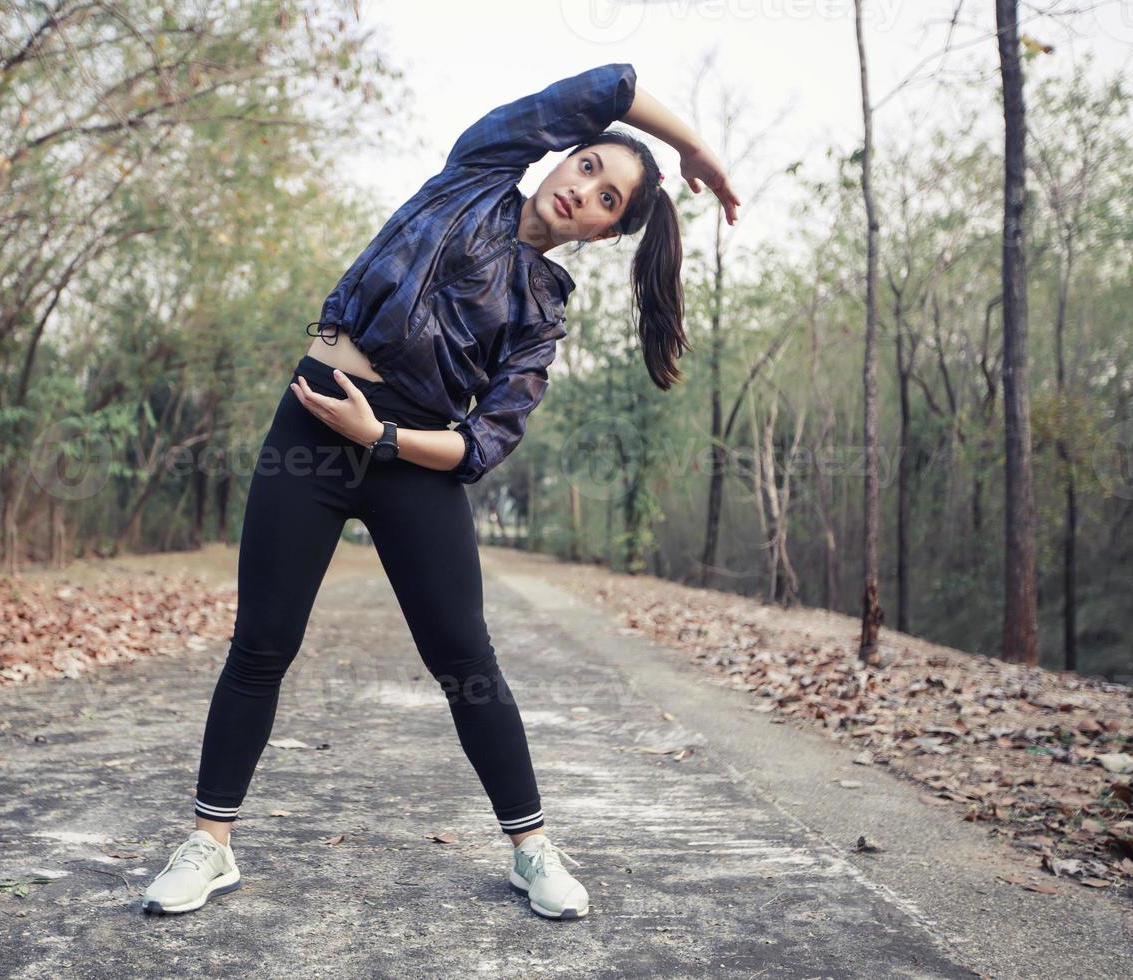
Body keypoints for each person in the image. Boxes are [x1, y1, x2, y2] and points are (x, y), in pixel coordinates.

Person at [142, 62, 740, 920]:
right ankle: (210, 845)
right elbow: (609, 86)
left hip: (405, 456)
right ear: (559, 159)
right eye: (588, 168)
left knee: (466, 660)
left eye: (610, 200)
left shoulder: (541, 314)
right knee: (262, 643)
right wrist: (694, 148)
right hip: (311, 425)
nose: (588, 192)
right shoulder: (477, 170)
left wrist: (378, 437)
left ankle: (532, 851)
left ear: (609, 235)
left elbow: (484, 439)